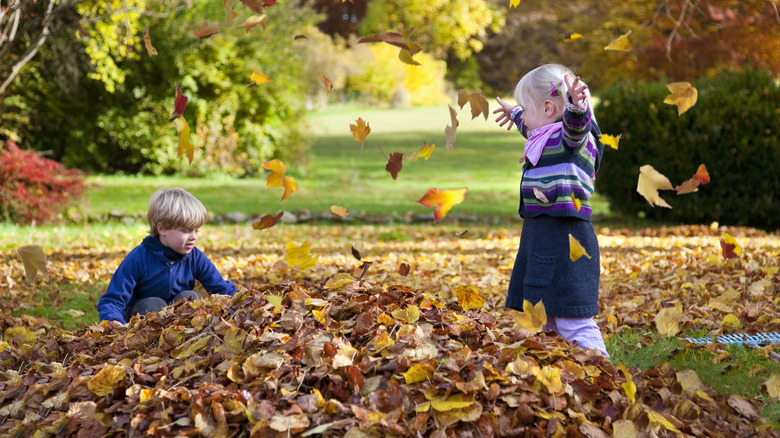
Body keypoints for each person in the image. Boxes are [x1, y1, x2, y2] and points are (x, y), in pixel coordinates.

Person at [493, 63, 608, 356]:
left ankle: (603, 370)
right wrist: (515, 113)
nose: (524, 121)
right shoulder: (544, 135)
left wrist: (577, 108)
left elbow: (574, 128)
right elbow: (531, 125)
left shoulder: (573, 141)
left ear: (547, 109)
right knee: (547, 317)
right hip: (541, 236)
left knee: (573, 320)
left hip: (567, 240)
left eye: (526, 110)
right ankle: (560, 370)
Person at [97, 188, 237, 324]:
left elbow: (221, 288)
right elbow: (113, 299)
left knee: (189, 298)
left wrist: (244, 300)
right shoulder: (139, 258)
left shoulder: (195, 257)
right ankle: (154, 343)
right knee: (153, 304)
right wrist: (113, 321)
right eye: (186, 231)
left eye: (196, 230)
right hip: (144, 316)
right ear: (162, 229)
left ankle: (184, 339)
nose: (193, 237)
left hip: (179, 321)